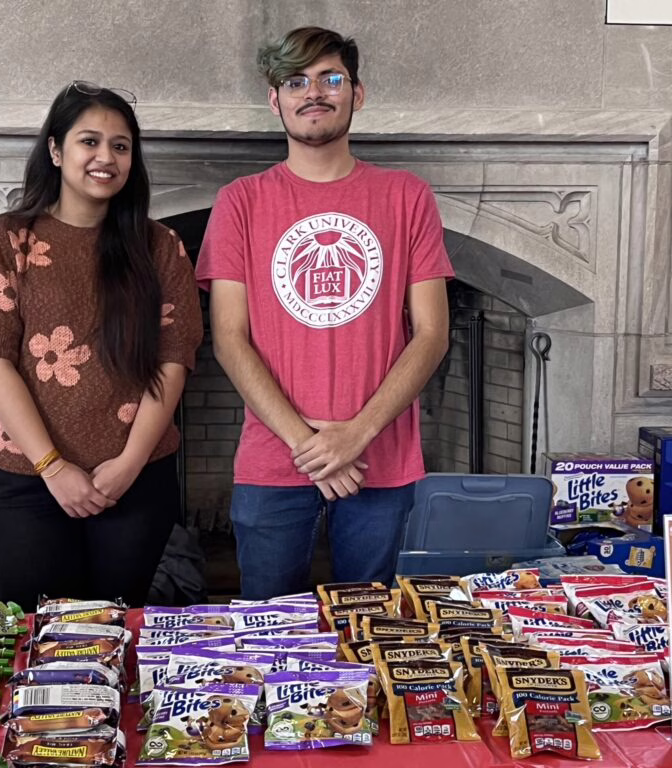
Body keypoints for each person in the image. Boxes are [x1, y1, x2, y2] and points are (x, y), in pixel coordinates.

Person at [196, 27, 453, 599]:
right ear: (275, 100)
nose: (313, 92)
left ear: (357, 94)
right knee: (268, 630)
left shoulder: (408, 196)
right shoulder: (241, 201)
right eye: (296, 81)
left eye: (330, 78)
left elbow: (432, 333)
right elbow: (229, 340)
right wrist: (314, 450)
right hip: (272, 459)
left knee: (369, 629)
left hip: (379, 461)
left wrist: (355, 436)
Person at [0, 81, 202, 612]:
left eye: (120, 146)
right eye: (88, 141)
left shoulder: (159, 247)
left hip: (135, 481)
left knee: (116, 630)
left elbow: (173, 358)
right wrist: (53, 467)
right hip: (30, 482)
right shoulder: (4, 240)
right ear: (55, 149)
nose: (105, 157)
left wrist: (130, 462)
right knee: (39, 638)